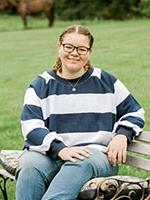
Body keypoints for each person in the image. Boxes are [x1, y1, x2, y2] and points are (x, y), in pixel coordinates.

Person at [16, 25, 145, 200]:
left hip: (96, 156)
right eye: (69, 47)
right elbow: (31, 126)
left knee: (80, 161)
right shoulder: (41, 85)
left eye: (82, 49)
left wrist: (122, 135)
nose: (74, 53)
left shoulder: (106, 81)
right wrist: (59, 149)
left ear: (89, 52)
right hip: (52, 153)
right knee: (30, 166)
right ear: (59, 47)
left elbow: (135, 112)